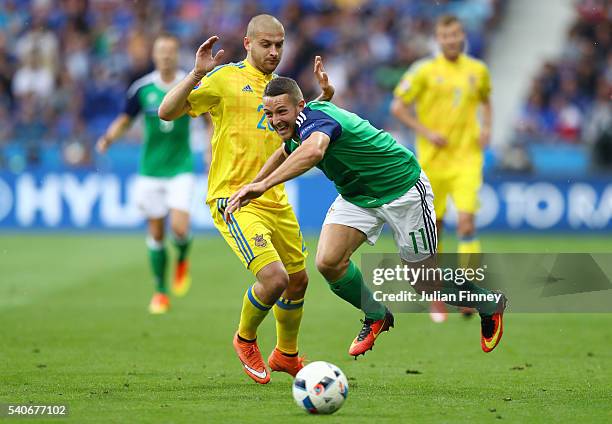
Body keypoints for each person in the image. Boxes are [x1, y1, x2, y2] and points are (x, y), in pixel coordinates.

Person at [226, 76, 508, 357]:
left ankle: (488, 303)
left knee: (424, 280)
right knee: (328, 262)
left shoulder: (317, 122)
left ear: (300, 106)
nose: (275, 120)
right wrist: (253, 185)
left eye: (282, 112)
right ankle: (376, 315)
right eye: (269, 114)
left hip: (402, 189)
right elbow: (283, 152)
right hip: (358, 196)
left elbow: (313, 151)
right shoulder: (301, 123)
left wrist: (264, 185)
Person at [158, 15, 333, 384]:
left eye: (279, 45)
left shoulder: (282, 87)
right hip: (235, 198)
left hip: (275, 198)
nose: (274, 52)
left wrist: (321, 101)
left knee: (298, 281)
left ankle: (286, 354)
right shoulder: (224, 79)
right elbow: (167, 111)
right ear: (249, 44)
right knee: (274, 279)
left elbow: (295, 136)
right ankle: (245, 338)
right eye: (266, 45)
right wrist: (194, 74)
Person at [390, 15, 493, 322]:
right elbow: (397, 106)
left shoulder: (478, 70)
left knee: (466, 224)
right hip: (432, 162)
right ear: (438, 39)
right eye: (446, 36)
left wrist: (487, 127)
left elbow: (486, 100)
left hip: (467, 159)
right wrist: (425, 131)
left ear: (462, 36)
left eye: (456, 34)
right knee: (434, 231)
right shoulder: (423, 71)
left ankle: (466, 294)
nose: (452, 40)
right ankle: (437, 293)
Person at [96, 33, 194, 315]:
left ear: (177, 55)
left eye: (170, 51)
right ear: (154, 55)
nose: (165, 56)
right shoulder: (142, 89)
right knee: (156, 233)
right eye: (161, 51)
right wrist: (108, 139)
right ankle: (160, 292)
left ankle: (183, 257)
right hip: (150, 172)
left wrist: (212, 148)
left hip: (180, 167)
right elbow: (125, 119)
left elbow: (210, 118)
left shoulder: (188, 84)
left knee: (179, 228)